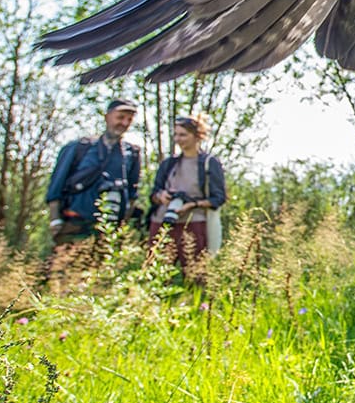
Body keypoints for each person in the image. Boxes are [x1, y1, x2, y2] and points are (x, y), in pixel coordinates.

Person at [46, 98, 142, 244]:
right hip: (74, 226)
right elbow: (56, 188)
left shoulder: (132, 154)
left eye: (129, 119)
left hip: (108, 231)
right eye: (120, 117)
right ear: (107, 117)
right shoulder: (78, 148)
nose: (124, 123)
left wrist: (121, 228)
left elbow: (132, 194)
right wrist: (55, 221)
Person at [146, 114, 227, 274]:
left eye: (183, 135)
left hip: (194, 223)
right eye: (176, 135)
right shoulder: (168, 163)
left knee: (195, 275)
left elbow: (219, 198)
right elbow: (154, 193)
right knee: (156, 273)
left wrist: (192, 204)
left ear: (197, 136)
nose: (178, 139)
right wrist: (161, 196)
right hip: (163, 222)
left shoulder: (209, 163)